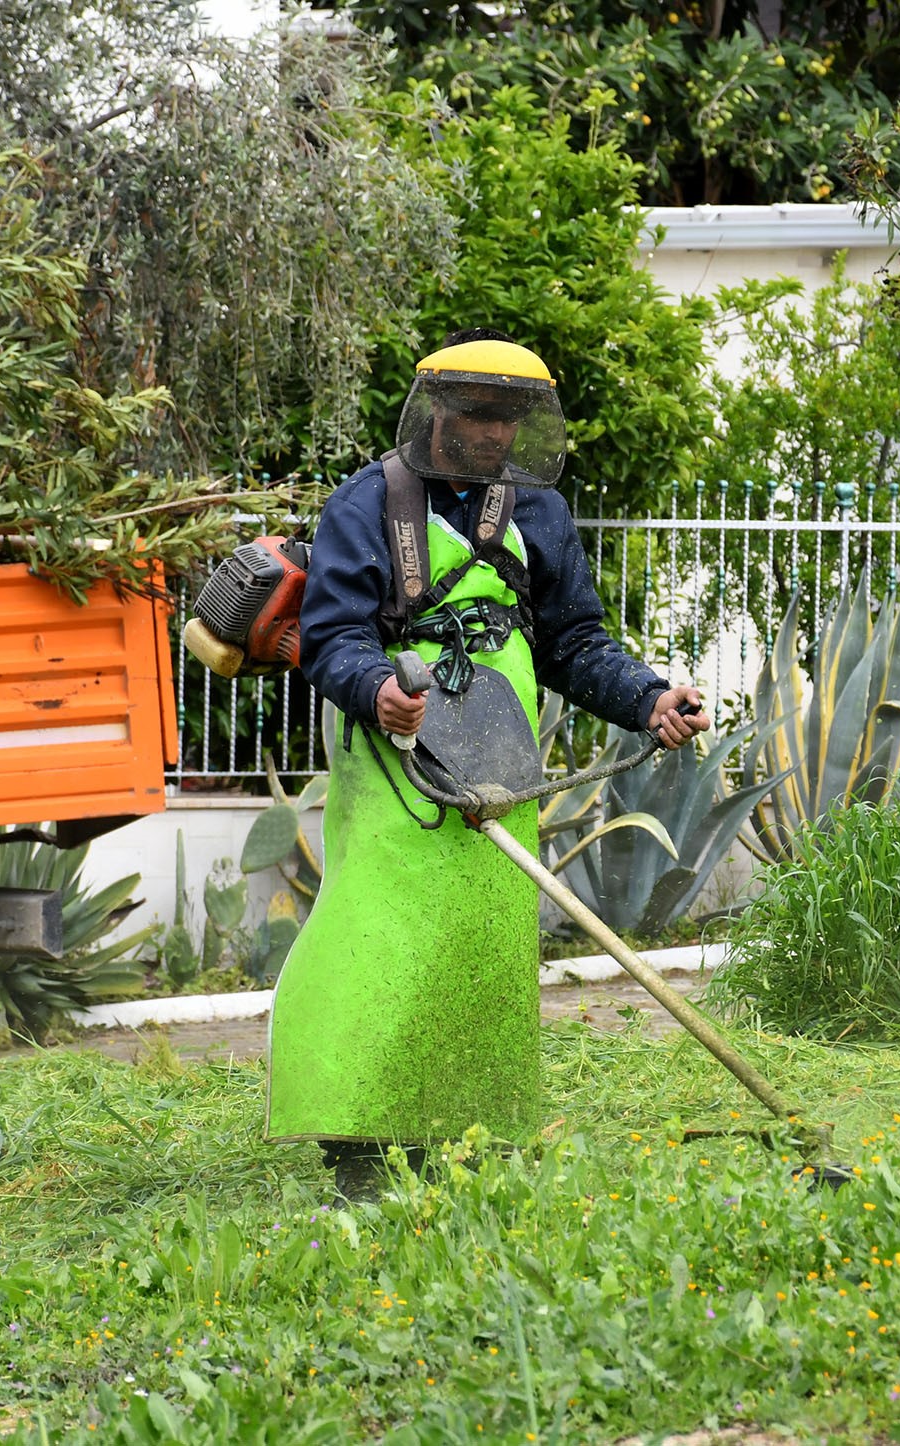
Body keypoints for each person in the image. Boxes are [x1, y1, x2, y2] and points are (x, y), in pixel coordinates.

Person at [264, 330, 709, 1198]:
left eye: (510, 420)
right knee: (380, 939)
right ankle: (360, 1141)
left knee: (481, 943)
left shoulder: (536, 510)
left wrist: (649, 698)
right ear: (434, 412)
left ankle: (474, 1126)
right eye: (480, 416)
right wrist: (373, 689)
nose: (497, 435)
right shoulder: (367, 503)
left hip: (502, 756)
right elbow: (332, 638)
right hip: (395, 755)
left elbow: (575, 642)